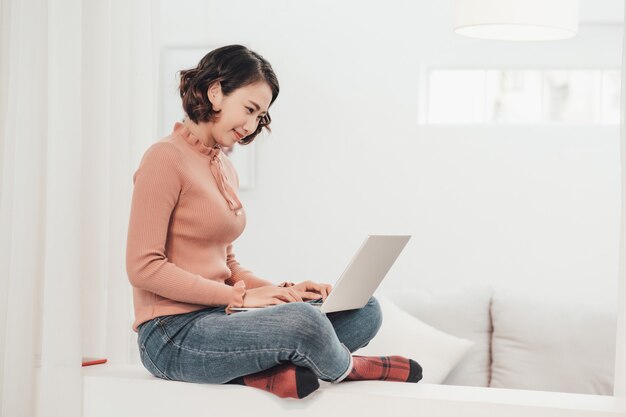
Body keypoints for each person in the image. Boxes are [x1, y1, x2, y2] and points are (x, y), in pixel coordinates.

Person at [126, 44, 422, 399]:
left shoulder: (224, 167)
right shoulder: (164, 158)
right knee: (305, 324)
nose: (250, 127)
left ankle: (267, 374)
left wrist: (287, 292)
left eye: (260, 117)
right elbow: (143, 268)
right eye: (249, 110)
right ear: (216, 91)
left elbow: (227, 263)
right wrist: (241, 297)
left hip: (223, 316)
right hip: (171, 334)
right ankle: (348, 367)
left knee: (365, 309)